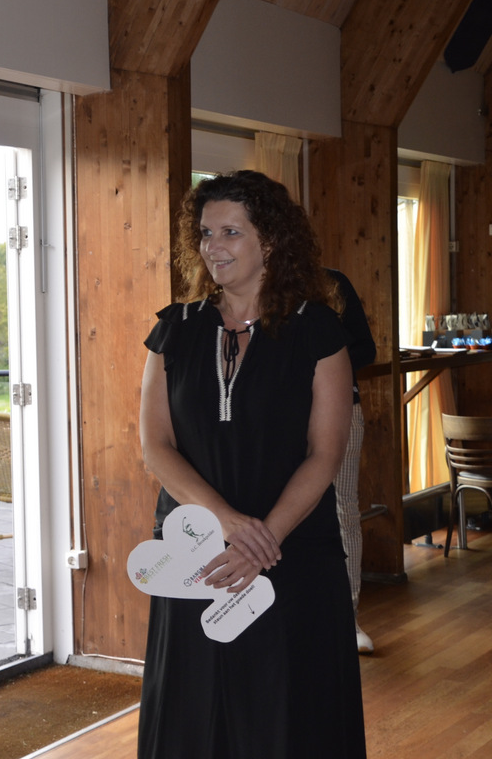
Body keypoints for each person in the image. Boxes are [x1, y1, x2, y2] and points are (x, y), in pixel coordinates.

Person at [136, 170, 366, 758]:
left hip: (293, 552)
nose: (213, 246)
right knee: (193, 707)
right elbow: (156, 445)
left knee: (289, 712)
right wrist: (230, 525)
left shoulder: (319, 331)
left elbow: (325, 453)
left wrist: (264, 540)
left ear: (271, 240)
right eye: (205, 232)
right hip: (195, 553)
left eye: (231, 232)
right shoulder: (174, 331)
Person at [327, 267, 377, 654]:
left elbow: (366, 348)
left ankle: (348, 618)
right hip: (278, 418)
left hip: (341, 409)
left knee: (344, 511)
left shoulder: (332, 282)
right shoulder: (251, 284)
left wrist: (322, 361)